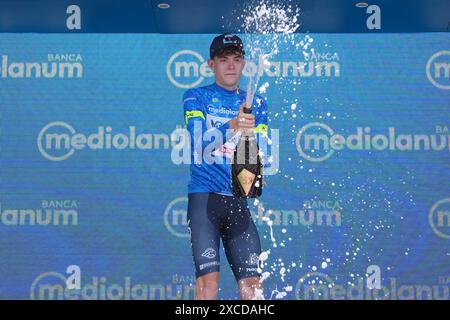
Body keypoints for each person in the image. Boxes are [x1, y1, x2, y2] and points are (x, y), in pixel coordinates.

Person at [182, 33, 269, 300]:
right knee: (208, 286)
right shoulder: (196, 96)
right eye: (223, 59)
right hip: (204, 201)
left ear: (244, 64)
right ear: (211, 64)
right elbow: (199, 144)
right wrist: (233, 125)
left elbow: (261, 155)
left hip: (238, 205)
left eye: (237, 59)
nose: (231, 65)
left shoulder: (257, 103)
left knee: (253, 288)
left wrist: (251, 141)